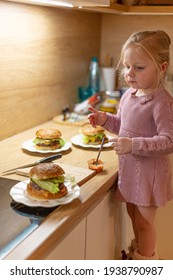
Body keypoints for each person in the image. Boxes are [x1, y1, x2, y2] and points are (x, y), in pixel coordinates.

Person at [88, 30, 173, 260]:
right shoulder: (128, 96)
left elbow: (168, 141)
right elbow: (124, 126)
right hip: (130, 171)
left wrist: (132, 145)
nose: (129, 73)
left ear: (162, 67)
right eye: (127, 66)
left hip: (148, 175)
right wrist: (105, 120)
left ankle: (146, 264)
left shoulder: (161, 102)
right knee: (134, 216)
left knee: (145, 224)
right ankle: (139, 254)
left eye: (139, 67)